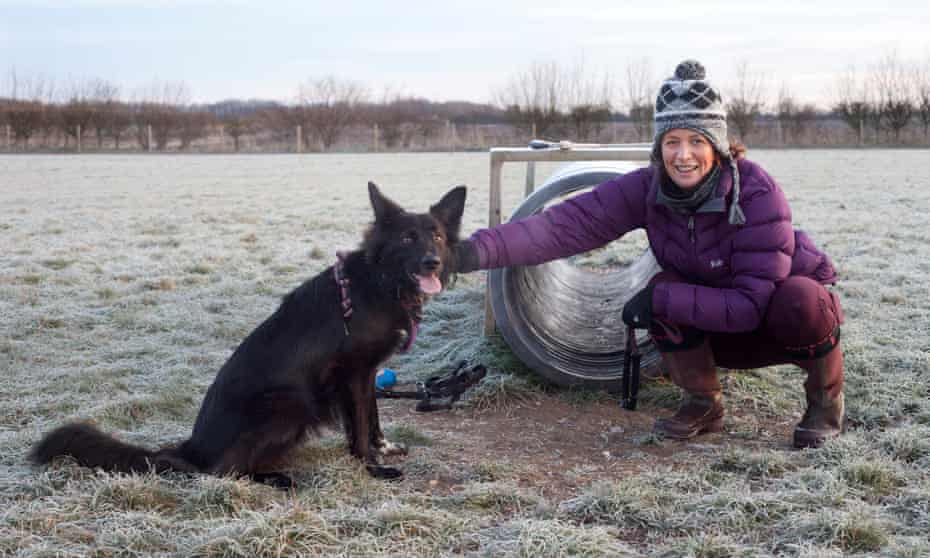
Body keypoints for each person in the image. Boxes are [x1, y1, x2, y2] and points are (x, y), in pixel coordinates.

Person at [456, 60, 844, 449]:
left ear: (718, 145)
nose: (683, 155)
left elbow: (750, 305)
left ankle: (825, 405)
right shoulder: (648, 188)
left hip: (771, 325)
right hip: (713, 326)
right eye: (672, 142)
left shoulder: (757, 194)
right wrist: (472, 252)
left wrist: (661, 297)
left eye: (696, 141)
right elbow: (564, 225)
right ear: (658, 147)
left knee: (802, 300)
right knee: (666, 291)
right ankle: (703, 402)